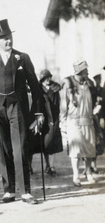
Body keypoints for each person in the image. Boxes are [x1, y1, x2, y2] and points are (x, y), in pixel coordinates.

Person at [0, 19, 44, 205]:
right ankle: (8, 191)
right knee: (3, 149)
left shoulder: (23, 58)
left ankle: (25, 192)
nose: (8, 41)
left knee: (20, 149)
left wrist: (38, 112)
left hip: (18, 108)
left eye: (10, 37)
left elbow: (35, 86)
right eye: (4, 39)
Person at [59, 59, 97, 187]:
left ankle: (88, 172)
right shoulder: (68, 83)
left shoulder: (90, 83)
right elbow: (63, 105)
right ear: (80, 71)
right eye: (86, 69)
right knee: (75, 150)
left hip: (88, 120)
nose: (88, 70)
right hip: (74, 120)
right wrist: (62, 123)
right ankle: (76, 176)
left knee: (89, 148)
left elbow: (96, 99)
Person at [28, 69, 63, 176]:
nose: (48, 80)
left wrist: (57, 120)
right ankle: (29, 166)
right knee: (32, 144)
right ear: (41, 79)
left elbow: (57, 105)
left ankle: (50, 166)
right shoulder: (36, 88)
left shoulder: (55, 88)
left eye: (49, 77)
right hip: (36, 118)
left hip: (51, 120)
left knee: (50, 144)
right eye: (45, 78)